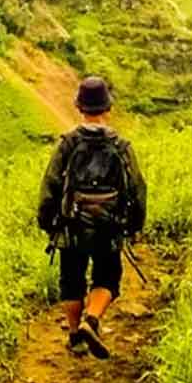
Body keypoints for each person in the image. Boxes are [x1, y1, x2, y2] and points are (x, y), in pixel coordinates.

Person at [36, 76, 146, 359]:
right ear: (107, 108)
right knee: (107, 277)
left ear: (79, 107)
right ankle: (93, 319)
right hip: (109, 227)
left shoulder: (68, 144)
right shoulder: (121, 146)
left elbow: (50, 185)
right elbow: (137, 188)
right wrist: (134, 226)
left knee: (71, 280)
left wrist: (48, 221)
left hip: (71, 225)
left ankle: (75, 337)